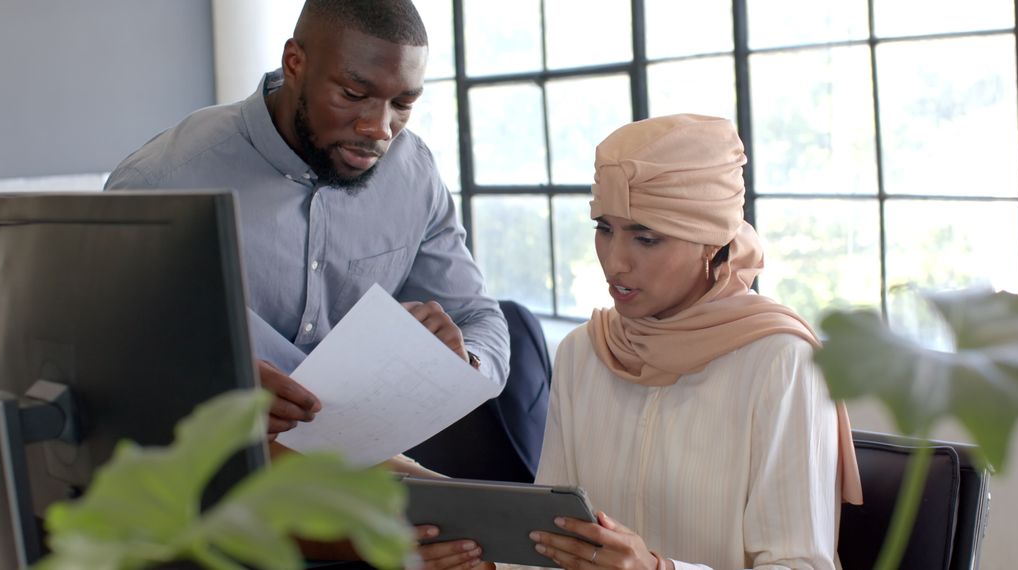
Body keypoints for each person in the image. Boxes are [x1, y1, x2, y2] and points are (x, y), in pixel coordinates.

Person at [417, 114, 863, 570]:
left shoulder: (784, 362)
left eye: (646, 238)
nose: (614, 263)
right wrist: (488, 565)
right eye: (604, 229)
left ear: (711, 243)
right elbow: (550, 545)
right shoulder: (585, 352)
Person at [104, 0, 509, 442]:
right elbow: (104, 362)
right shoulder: (159, 184)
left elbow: (478, 317)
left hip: (365, 464)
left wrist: (462, 360)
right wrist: (202, 389)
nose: (380, 128)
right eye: (353, 95)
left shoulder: (413, 174)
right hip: (207, 470)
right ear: (295, 63)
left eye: (403, 103)